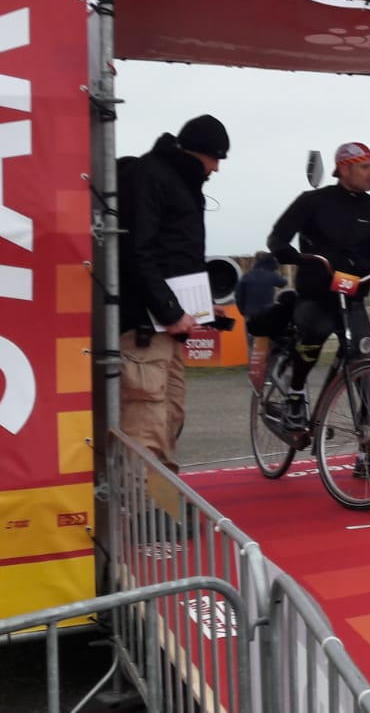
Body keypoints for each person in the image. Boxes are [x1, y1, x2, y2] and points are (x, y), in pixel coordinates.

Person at [266, 142, 370, 479]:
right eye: (366, 167)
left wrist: (356, 270)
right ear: (345, 168)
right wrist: (289, 254)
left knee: (368, 374)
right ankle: (294, 397)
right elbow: (277, 237)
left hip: (351, 299)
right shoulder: (313, 202)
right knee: (313, 335)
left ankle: (367, 455)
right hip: (316, 295)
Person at [118, 113, 230, 472]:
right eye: (217, 158)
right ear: (200, 153)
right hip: (144, 328)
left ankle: (158, 501)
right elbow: (139, 252)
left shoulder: (180, 182)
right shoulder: (152, 176)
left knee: (170, 413)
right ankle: (144, 512)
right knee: (146, 418)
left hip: (167, 327)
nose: (216, 169)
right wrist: (170, 311)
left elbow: (175, 259)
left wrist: (201, 309)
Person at [235, 250, 286, 344]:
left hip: (249, 313)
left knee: (250, 342)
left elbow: (238, 296)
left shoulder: (247, 276)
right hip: (268, 313)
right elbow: (283, 283)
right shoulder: (272, 275)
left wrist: (242, 311)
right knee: (268, 341)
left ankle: (251, 358)